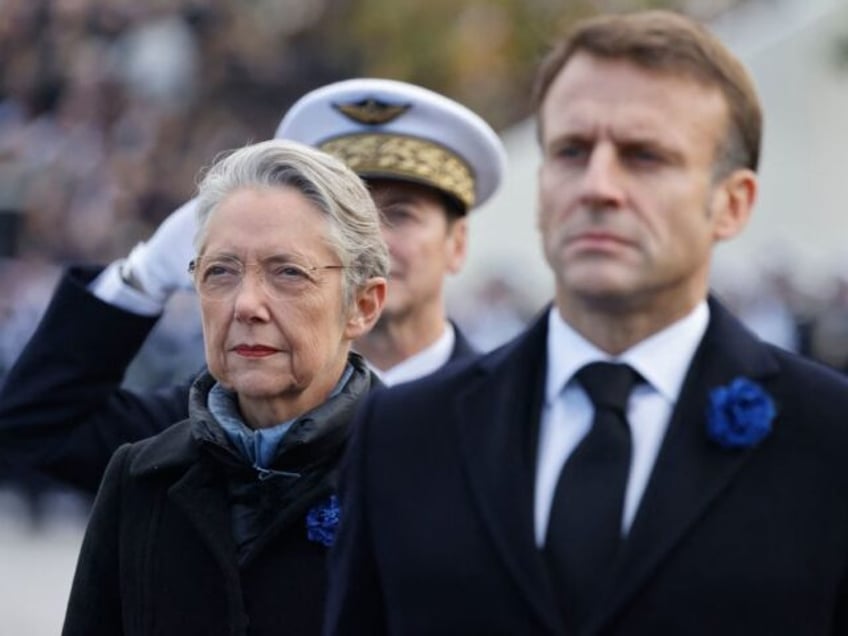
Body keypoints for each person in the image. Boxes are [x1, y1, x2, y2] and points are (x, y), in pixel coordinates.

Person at [323, 11, 848, 636]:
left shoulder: (827, 438)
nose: (598, 186)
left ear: (730, 204)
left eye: (644, 156)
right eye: (571, 151)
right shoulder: (406, 433)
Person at [0, 78, 506, 494]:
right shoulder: (227, 417)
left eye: (399, 215)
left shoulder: (507, 416)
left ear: (457, 242)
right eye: (345, 219)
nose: (369, 242)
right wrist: (143, 275)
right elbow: (38, 427)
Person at [62, 139, 388, 635]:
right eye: (221, 272)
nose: (246, 304)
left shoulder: (424, 476)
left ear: (362, 305)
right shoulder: (141, 479)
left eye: (287, 273)